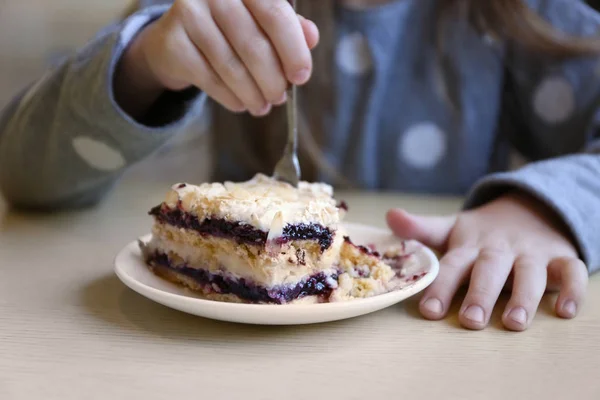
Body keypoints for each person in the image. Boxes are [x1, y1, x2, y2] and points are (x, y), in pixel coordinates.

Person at [1, 0, 599, 332]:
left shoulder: (520, 13)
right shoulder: (216, 14)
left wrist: (543, 205)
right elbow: (24, 173)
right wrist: (145, 63)